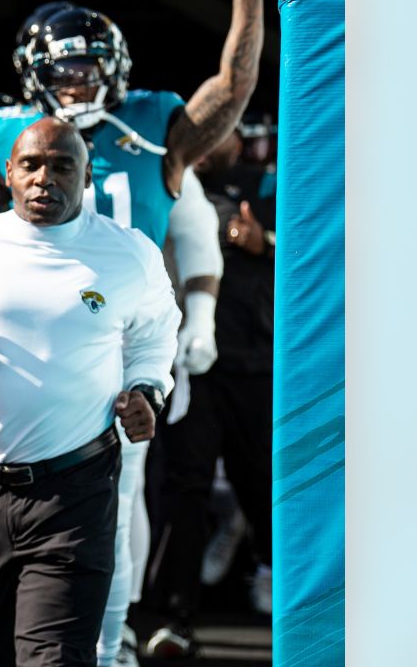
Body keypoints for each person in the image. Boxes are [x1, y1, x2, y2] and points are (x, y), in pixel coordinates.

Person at [0, 0, 267, 654]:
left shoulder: (151, 126)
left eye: (91, 68)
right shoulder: (12, 133)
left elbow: (233, 87)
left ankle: (106, 647)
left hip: (114, 352)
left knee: (121, 516)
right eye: (66, 69)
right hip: (11, 366)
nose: (80, 81)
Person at [0, 118, 180, 667]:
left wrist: (146, 389)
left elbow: (155, 337)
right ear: (10, 175)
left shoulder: (129, 253)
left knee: (56, 658)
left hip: (77, 491)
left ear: (87, 178)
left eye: (63, 165)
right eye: (31, 165)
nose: (46, 178)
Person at [144, 126, 275, 659]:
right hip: (193, 366)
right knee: (185, 487)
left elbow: (328, 248)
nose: (207, 145)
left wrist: (261, 242)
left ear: (238, 142)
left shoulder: (268, 186)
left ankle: (279, 579)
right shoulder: (174, 188)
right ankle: (177, 618)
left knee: (263, 483)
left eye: (219, 136)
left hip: (257, 364)